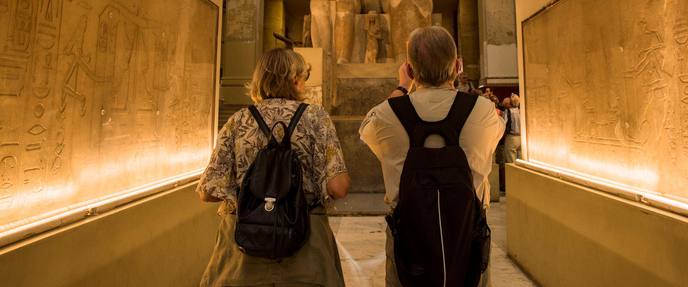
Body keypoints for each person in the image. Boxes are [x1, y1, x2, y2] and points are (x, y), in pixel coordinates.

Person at [359, 26, 505, 287]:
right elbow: (497, 134)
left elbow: (365, 130)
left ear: (411, 71)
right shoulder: (483, 111)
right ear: (458, 67)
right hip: (468, 236)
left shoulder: (387, 115)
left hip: (408, 238)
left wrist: (402, 88)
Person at [197, 48, 352, 287]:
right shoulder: (315, 117)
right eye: (305, 77)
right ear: (294, 79)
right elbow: (338, 187)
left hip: (243, 251)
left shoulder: (238, 120)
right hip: (305, 247)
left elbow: (208, 192)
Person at [504, 94, 522, 163]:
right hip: (522, 137)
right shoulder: (522, 111)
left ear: (510, 102)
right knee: (521, 160)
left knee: (511, 160)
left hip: (511, 137)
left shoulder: (508, 111)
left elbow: (503, 123)